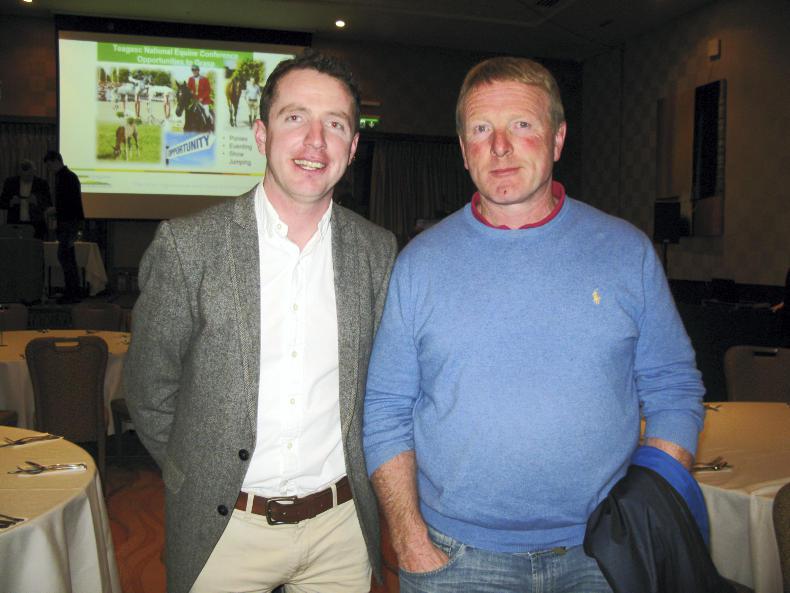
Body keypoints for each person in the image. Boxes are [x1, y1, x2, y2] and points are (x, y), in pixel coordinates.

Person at [363, 57, 707, 592]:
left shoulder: (626, 252)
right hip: (456, 560)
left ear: (557, 139)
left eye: (521, 124)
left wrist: (646, 504)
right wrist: (409, 538)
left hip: (604, 554)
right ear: (464, 150)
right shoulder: (419, 264)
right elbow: (386, 408)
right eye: (481, 129)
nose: (500, 146)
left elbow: (674, 388)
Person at [123, 50, 397, 593]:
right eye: (295, 117)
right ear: (261, 134)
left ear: (353, 147)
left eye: (335, 124)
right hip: (224, 529)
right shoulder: (188, 247)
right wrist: (195, 473)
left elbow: (383, 389)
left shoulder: (377, 252)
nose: (315, 141)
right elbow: (150, 390)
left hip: (339, 531)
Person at [43, 150, 83, 303]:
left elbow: (69, 203)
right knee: (68, 257)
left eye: (49, 165)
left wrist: (55, 210)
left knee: (65, 257)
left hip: (68, 222)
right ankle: (72, 291)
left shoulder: (65, 177)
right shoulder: (68, 176)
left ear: (55, 161)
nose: (49, 169)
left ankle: (71, 293)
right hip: (69, 221)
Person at [0, 159, 51, 239]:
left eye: (30, 175)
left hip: (36, 225)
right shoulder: (10, 183)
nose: (27, 178)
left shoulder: (42, 184)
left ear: (34, 172)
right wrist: (10, 203)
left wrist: (37, 201)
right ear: (19, 173)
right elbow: (2, 203)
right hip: (15, 225)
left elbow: (49, 204)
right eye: (24, 175)